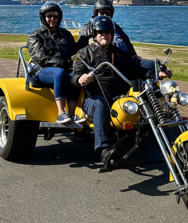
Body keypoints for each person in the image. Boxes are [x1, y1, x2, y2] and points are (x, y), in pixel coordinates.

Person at [72, 15, 170, 163]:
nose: (104, 35)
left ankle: (163, 141)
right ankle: (104, 149)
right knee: (100, 105)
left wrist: (157, 74)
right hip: (94, 98)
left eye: (107, 32)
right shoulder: (84, 54)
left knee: (144, 99)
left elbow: (137, 71)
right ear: (94, 34)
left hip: (120, 96)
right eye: (100, 32)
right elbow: (75, 75)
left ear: (111, 33)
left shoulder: (119, 53)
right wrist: (81, 78)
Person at [27, 2, 85, 125]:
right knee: (60, 73)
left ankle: (72, 114)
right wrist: (63, 63)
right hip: (41, 69)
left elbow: (75, 52)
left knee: (76, 75)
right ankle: (60, 113)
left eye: (55, 16)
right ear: (43, 17)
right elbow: (40, 57)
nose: (52, 19)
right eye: (49, 16)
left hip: (63, 68)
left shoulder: (66, 34)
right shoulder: (35, 36)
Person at [77, 0, 155, 73]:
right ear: (96, 13)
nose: (105, 15)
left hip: (124, 59)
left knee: (151, 65)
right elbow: (81, 50)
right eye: (102, 13)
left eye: (108, 14)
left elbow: (126, 40)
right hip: (103, 62)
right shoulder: (87, 28)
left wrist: (133, 54)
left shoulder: (115, 26)